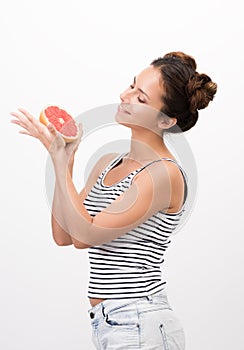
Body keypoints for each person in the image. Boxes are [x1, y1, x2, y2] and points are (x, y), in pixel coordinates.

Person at [10, 51, 217, 349]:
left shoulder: (163, 174)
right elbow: (64, 234)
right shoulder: (108, 163)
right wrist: (65, 160)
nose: (124, 95)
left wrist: (58, 160)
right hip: (109, 322)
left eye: (141, 98)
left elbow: (85, 235)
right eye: (131, 85)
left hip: (140, 322)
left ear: (165, 120)